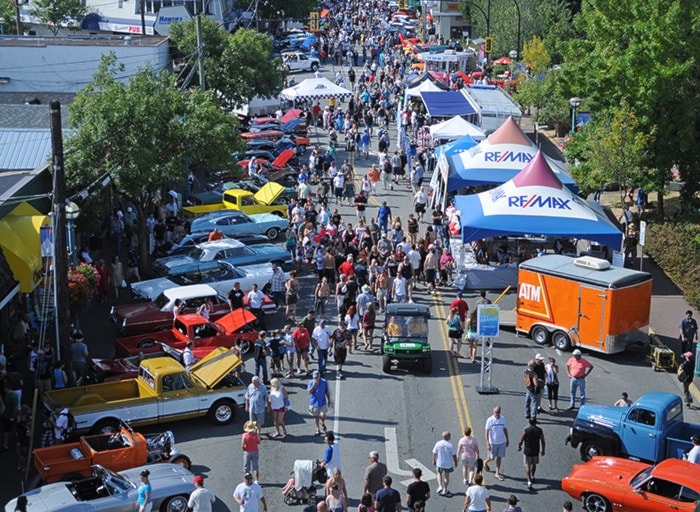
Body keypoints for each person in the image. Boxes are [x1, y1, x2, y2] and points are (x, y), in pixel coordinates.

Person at [517, 417, 546, 489]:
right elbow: (542, 441)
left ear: (529, 422)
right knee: (534, 464)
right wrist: (543, 450)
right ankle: (532, 476)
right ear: (536, 422)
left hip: (527, 451)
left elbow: (521, 440)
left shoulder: (526, 430)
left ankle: (529, 481)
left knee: (528, 466)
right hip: (536, 450)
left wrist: (519, 446)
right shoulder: (539, 430)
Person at [484, 406, 508, 481]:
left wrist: (507, 439)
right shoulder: (490, 420)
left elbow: (505, 429)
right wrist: (487, 443)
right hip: (493, 442)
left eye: (498, 412)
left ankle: (497, 473)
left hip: (501, 442)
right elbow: (486, 432)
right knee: (492, 457)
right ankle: (485, 461)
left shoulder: (503, 419)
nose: (497, 413)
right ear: (493, 412)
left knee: (499, 457)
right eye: (496, 412)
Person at [431, 431, 457, 496]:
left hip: (439, 463)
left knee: (439, 473)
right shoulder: (450, 445)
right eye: (449, 436)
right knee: (446, 476)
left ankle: (440, 486)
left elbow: (434, 453)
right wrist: (455, 462)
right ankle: (445, 489)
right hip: (448, 464)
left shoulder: (438, 443)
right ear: (447, 437)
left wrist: (433, 460)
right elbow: (454, 455)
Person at [308, 370, 331, 436]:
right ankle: (317, 429)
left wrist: (329, 400)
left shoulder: (324, 382)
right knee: (316, 417)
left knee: (323, 415)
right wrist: (314, 385)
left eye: (317, 377)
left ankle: (322, 421)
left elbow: (326, 391)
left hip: (322, 402)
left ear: (319, 377)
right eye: (314, 377)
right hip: (314, 403)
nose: (316, 379)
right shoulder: (311, 382)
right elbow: (309, 392)